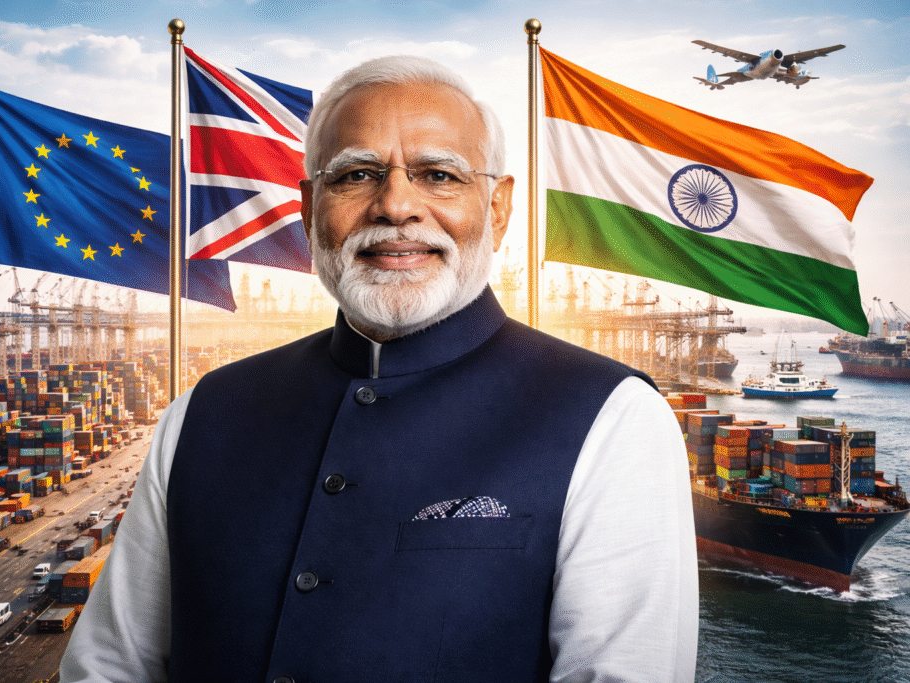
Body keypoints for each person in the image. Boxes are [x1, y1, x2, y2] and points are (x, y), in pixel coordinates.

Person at [61, 55, 698, 683]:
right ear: (310, 209)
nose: (395, 206)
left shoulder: (615, 419)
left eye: (439, 175)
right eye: (357, 175)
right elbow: (108, 669)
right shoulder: (201, 413)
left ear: (498, 208)